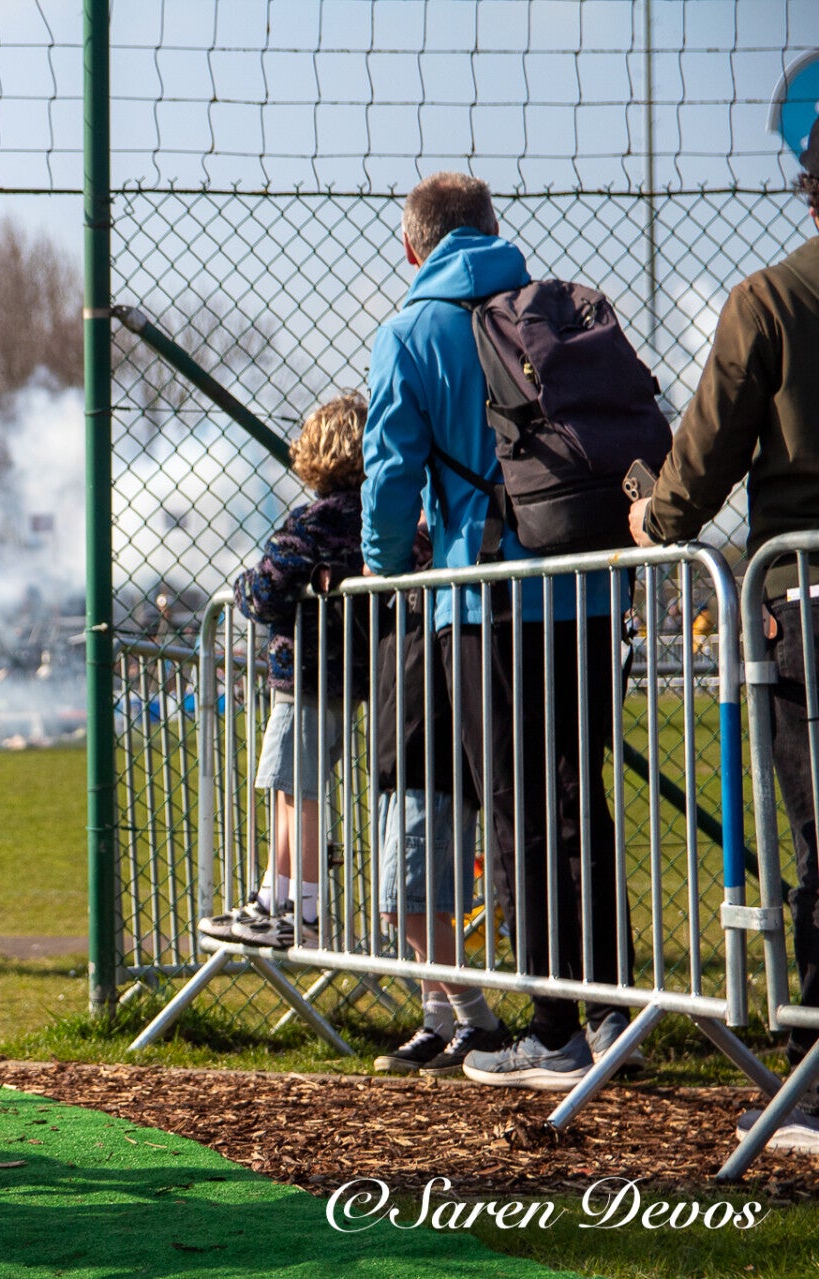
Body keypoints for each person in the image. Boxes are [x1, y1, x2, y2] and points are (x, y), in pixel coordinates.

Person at [360, 172, 632, 1091]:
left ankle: (553, 1028)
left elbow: (390, 475)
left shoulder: (409, 333)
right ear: (493, 230)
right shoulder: (555, 310)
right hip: (586, 589)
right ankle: (612, 1011)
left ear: (412, 247)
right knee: (579, 796)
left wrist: (387, 568)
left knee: (517, 806)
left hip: (486, 601)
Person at [630, 136, 819, 1151]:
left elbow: (705, 450)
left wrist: (654, 518)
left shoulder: (769, 299)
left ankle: (815, 1079)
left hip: (805, 597)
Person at [200, 392, 368, 949]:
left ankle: (302, 910)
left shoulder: (313, 522)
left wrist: (242, 587)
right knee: (291, 786)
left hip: (306, 676)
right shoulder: (373, 516)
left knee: (295, 789)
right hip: (346, 676)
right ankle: (274, 897)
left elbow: (265, 589)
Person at [366, 528, 507, 1077]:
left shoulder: (444, 570)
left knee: (404, 905)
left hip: (433, 759)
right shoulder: (401, 588)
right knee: (424, 903)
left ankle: (478, 1020)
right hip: (399, 756)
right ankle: (439, 1022)